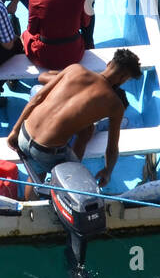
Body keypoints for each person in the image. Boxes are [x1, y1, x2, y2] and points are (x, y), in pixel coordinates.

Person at [8, 48, 142, 188]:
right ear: (123, 78)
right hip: (46, 151)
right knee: (75, 179)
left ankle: (28, 204)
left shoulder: (74, 69)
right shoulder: (115, 105)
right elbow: (112, 148)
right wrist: (107, 171)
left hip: (23, 135)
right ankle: (60, 190)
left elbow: (37, 98)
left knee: (37, 175)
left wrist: (15, 130)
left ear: (109, 63)